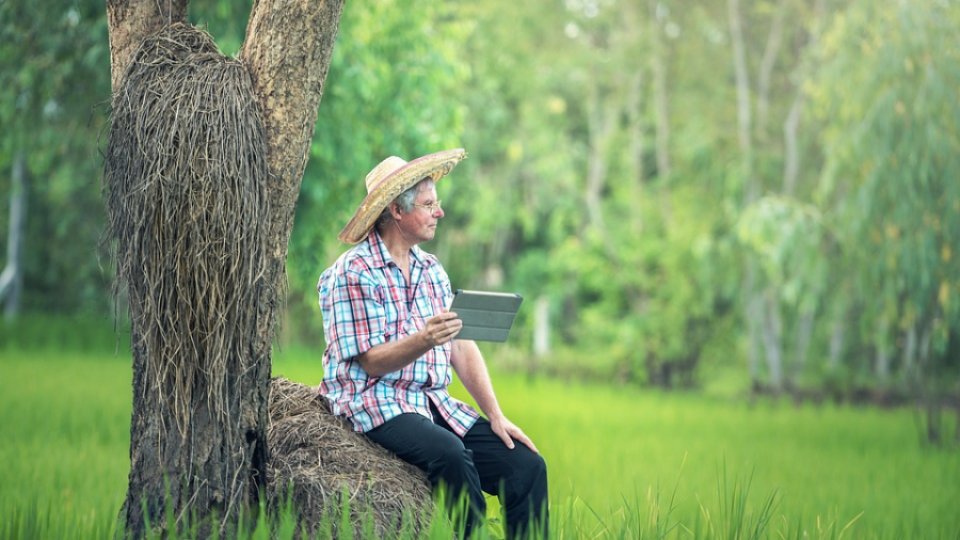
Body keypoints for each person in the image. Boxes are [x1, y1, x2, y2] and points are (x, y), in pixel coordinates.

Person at [316, 149, 548, 538]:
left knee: (525, 466)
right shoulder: (352, 273)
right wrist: (425, 338)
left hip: (429, 401)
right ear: (396, 211)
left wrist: (495, 415)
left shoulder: (431, 269)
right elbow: (371, 362)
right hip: (374, 400)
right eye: (428, 205)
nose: (439, 213)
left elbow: (461, 346)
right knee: (452, 457)